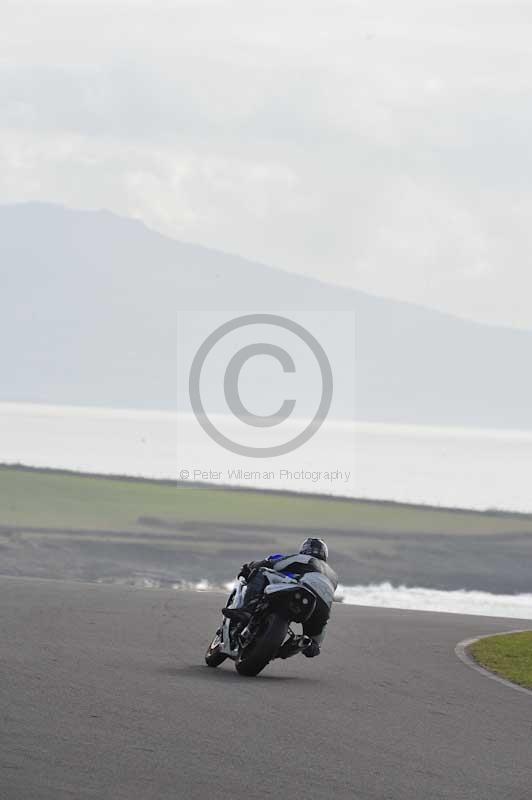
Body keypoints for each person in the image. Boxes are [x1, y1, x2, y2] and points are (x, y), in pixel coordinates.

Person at [223, 537, 337, 658]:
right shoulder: (333, 575)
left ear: (305, 549)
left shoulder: (304, 559)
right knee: (312, 641)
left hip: (300, 590)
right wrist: (316, 643)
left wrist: (250, 567)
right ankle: (307, 644)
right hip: (322, 608)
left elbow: (273, 564)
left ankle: (247, 610)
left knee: (261, 572)